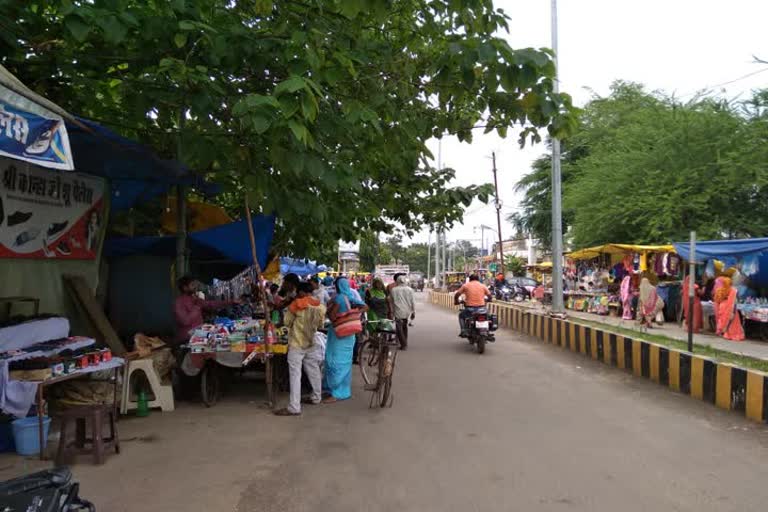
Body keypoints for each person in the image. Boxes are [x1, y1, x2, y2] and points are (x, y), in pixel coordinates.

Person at [274, 283, 326, 416]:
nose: (296, 294)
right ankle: (316, 397)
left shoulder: (296, 304)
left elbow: (286, 322)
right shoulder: (320, 306)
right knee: (313, 369)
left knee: (295, 374)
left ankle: (294, 407)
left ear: (302, 292)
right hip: (311, 341)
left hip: (297, 343)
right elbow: (320, 325)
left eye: (297, 291)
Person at [323, 277, 368, 403]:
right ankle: (343, 390)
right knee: (345, 362)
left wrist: (333, 311)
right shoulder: (350, 296)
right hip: (349, 334)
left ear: (337, 286)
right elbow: (365, 307)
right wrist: (353, 314)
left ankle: (335, 392)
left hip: (338, 334)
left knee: (334, 361)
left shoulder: (338, 298)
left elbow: (332, 317)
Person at [173, 275, 235, 345]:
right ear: (185, 288)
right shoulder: (179, 302)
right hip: (187, 339)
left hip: (199, 336)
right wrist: (196, 307)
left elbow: (210, 304)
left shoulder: (194, 299)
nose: (195, 287)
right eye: (192, 285)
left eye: (195, 284)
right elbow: (185, 321)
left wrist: (231, 302)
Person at [388, 275, 415, 349]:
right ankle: (404, 341)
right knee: (404, 326)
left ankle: (403, 344)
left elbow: (391, 301)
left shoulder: (394, 290)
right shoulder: (410, 290)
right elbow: (413, 301)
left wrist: (391, 311)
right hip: (407, 311)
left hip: (398, 310)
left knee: (399, 327)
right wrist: (413, 312)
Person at [715, 277, 745, 341]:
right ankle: (734, 335)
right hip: (730, 307)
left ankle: (726, 333)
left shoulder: (720, 290)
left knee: (724, 320)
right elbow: (735, 301)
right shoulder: (733, 290)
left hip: (722, 306)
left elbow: (717, 300)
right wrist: (733, 311)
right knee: (734, 322)